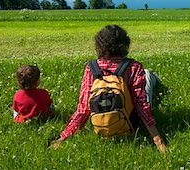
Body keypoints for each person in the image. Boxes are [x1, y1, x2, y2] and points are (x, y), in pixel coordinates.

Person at [51, 24, 167, 153]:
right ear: (124, 44)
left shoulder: (91, 67)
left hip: (101, 126)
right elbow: (141, 104)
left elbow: (83, 108)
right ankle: (153, 76)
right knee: (148, 77)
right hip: (130, 125)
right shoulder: (134, 67)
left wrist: (63, 137)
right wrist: (158, 140)